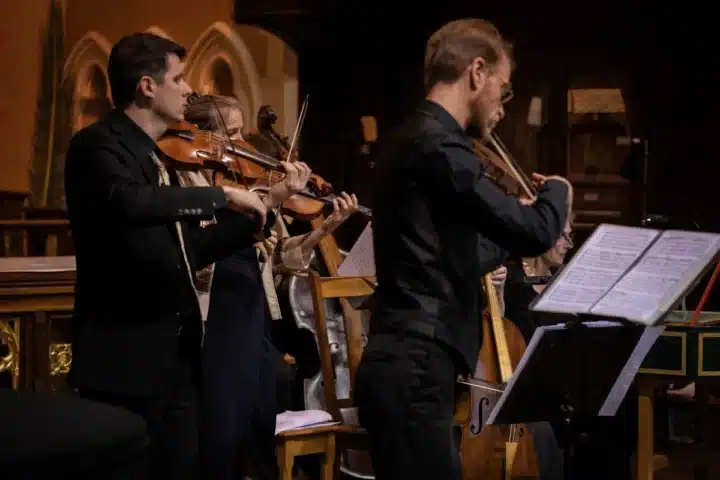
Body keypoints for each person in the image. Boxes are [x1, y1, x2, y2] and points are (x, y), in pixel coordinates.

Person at [354, 18, 573, 480]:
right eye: (504, 89)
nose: (501, 107)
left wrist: (510, 231)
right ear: (478, 72)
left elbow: (460, 256)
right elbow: (537, 232)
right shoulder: (440, 147)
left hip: (409, 363)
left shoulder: (414, 139)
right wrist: (558, 195)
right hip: (414, 364)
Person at [63, 32, 272, 480]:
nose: (188, 89)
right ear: (147, 86)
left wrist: (260, 213)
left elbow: (187, 251)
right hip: (124, 363)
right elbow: (127, 202)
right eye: (178, 77)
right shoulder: (96, 146)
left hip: (176, 360)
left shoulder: (156, 157)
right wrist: (222, 195)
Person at [180, 94, 360, 480]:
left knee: (261, 421)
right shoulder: (191, 180)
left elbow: (280, 258)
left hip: (255, 311)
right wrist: (270, 197)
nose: (242, 146)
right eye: (231, 134)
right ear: (203, 137)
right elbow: (196, 251)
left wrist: (325, 228)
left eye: (242, 133)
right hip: (219, 313)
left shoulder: (245, 180)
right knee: (224, 433)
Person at [500, 221, 637, 480]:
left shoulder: (570, 281)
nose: (569, 245)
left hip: (572, 385)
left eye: (570, 235)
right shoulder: (512, 283)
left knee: (621, 407)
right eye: (562, 236)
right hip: (531, 389)